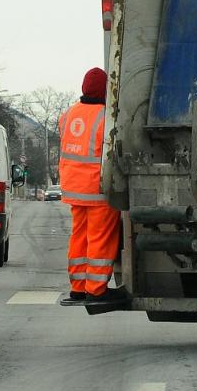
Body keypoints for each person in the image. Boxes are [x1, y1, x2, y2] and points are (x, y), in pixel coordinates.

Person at [59, 67, 129, 304]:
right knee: (100, 238)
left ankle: (77, 288)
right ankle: (96, 289)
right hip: (97, 190)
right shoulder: (106, 117)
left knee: (79, 237)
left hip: (73, 189)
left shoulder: (68, 114)